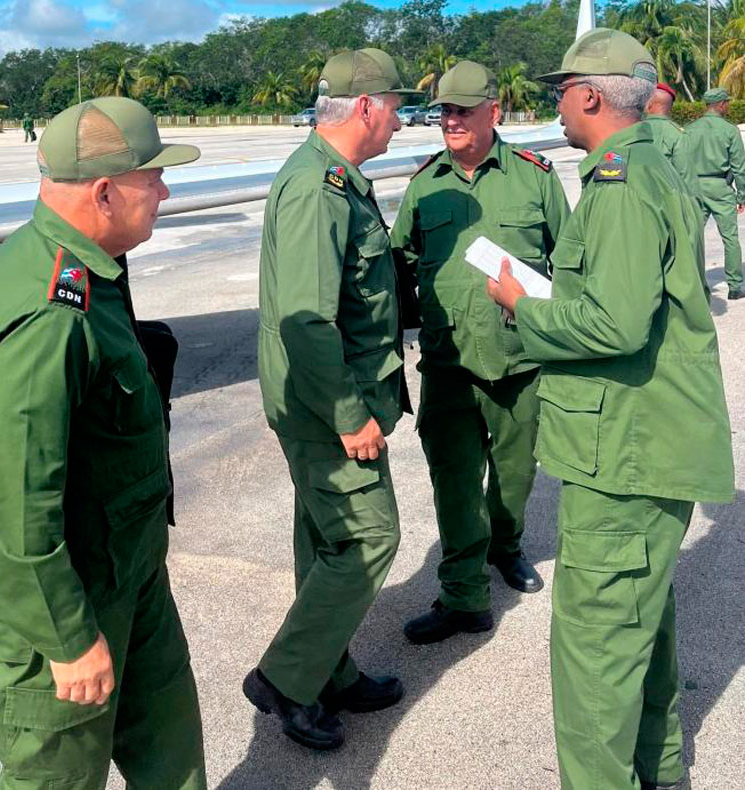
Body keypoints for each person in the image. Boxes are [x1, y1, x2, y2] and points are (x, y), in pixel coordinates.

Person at [486, 29, 734, 790]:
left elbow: (615, 325)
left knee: (595, 661)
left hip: (623, 453)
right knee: (640, 634)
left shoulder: (622, 182)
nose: (556, 102)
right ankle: (658, 772)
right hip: (639, 442)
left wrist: (523, 303)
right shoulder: (649, 164)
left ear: (590, 97)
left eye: (562, 88)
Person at [0, 97, 207, 789]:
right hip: (70, 596)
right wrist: (67, 638)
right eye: (152, 178)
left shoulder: (89, 268)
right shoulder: (49, 314)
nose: (164, 191)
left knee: (171, 756)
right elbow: (13, 503)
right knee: (57, 777)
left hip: (128, 571)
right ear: (103, 191)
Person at [246, 48, 414, 750]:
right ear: (367, 107)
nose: (402, 122)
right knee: (370, 536)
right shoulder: (319, 189)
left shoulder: (337, 179)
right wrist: (350, 416)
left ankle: (330, 673)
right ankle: (286, 680)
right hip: (326, 405)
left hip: (319, 398)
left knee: (324, 539)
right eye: (397, 108)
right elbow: (308, 319)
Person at [390, 60, 570, 645]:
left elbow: (567, 262)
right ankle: (463, 593)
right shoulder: (424, 184)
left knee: (516, 475)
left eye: (464, 109)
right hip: (447, 367)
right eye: (445, 110)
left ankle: (506, 547)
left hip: (520, 364)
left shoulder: (534, 177)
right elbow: (401, 266)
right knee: (454, 482)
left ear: (495, 111)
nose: (452, 120)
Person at [685, 86, 745, 299]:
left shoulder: (690, 129)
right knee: (730, 238)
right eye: (727, 102)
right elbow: (740, 167)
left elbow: (682, 162)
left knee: (692, 237)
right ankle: (735, 287)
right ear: (720, 105)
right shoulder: (729, 130)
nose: (729, 105)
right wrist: (742, 196)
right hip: (720, 187)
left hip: (695, 187)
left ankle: (694, 285)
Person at [642, 82, 699, 198]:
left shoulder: (631, 129)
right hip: (666, 202)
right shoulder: (677, 134)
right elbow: (686, 177)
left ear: (648, 104)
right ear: (670, 108)